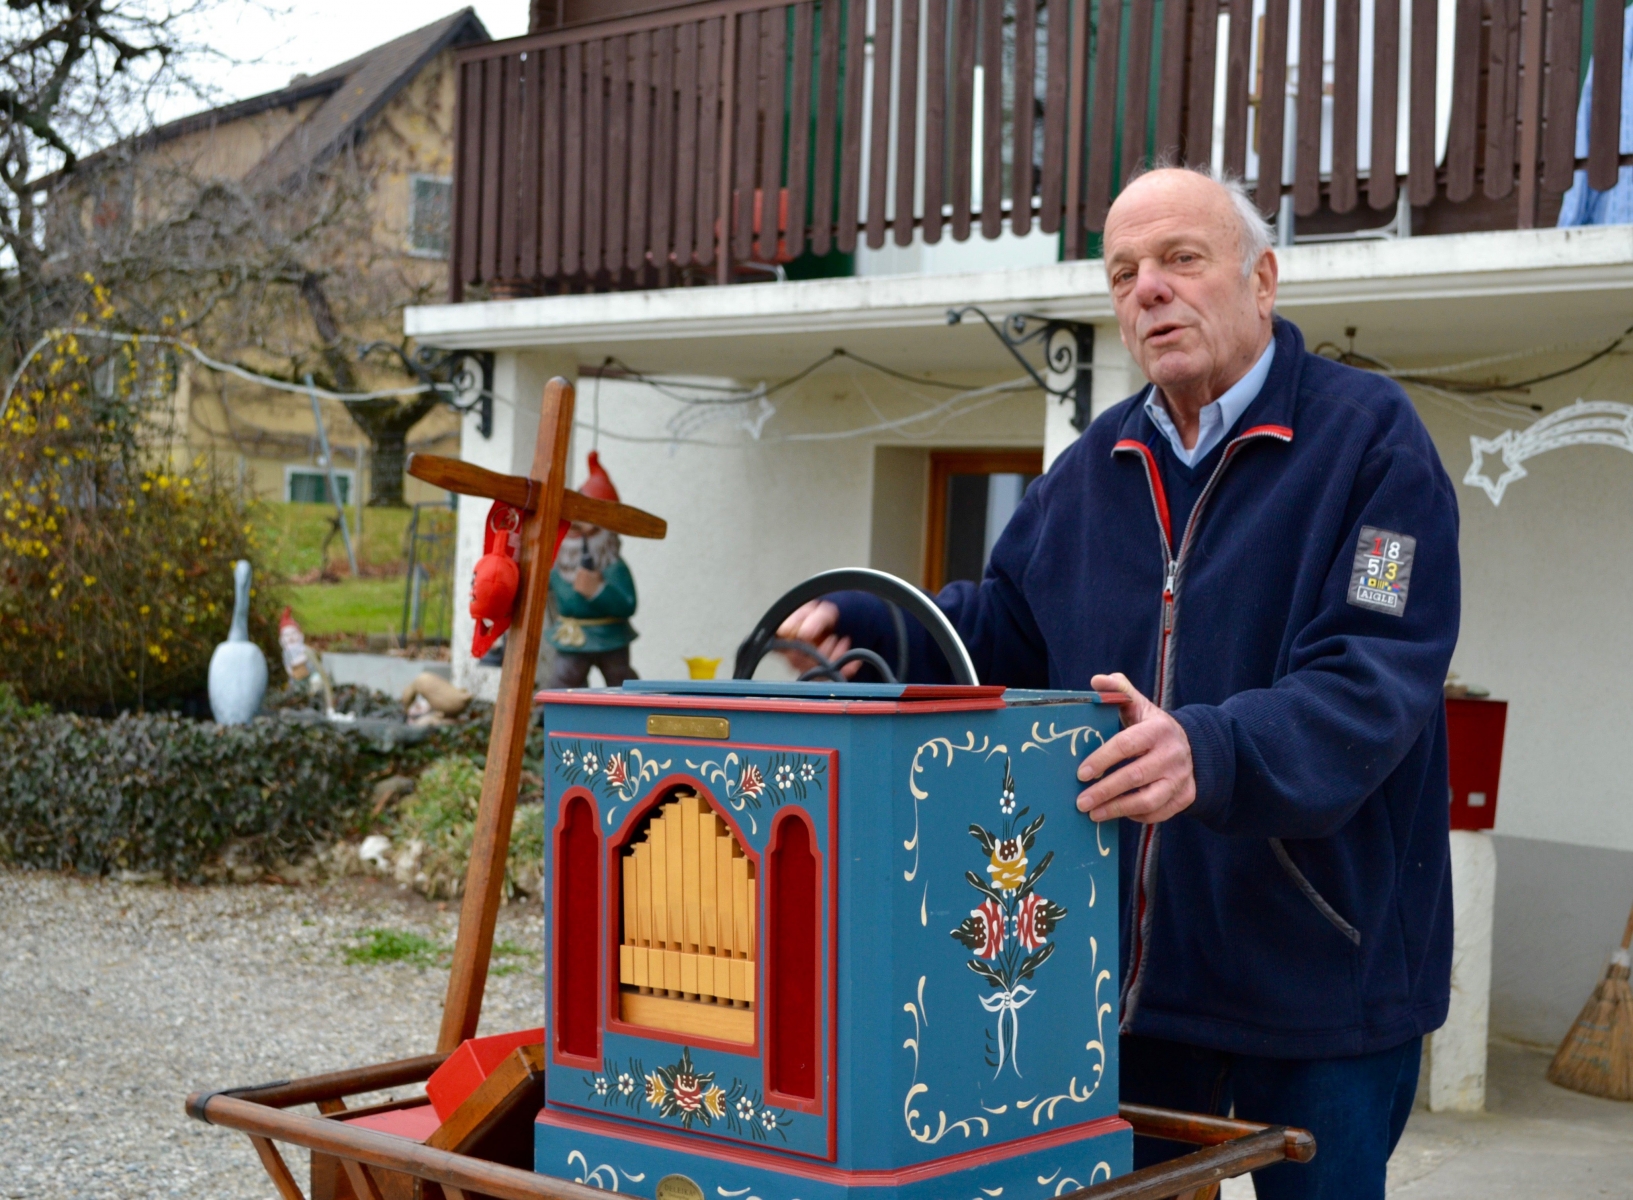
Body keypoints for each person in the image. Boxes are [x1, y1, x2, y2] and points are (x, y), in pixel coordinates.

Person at [780, 167, 1459, 1199]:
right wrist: (874, 623)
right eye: (1124, 271)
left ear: (1262, 279)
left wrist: (1211, 748)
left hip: (1323, 978)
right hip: (1128, 986)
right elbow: (1003, 628)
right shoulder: (1098, 461)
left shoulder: (1370, 443)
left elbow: (1373, 677)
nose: (1149, 289)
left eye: (1182, 259)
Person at [543, 451, 640, 688]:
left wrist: (598, 590)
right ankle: (561, 718)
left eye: (587, 526)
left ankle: (628, 716)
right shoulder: (558, 565)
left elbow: (628, 603)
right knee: (565, 678)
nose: (576, 530)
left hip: (610, 637)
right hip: (573, 637)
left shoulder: (614, 567)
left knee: (620, 678)